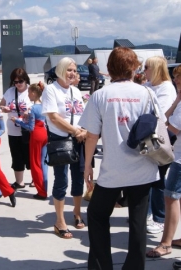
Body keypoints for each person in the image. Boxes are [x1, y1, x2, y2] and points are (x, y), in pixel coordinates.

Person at [79, 47, 160, 269]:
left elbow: (92, 136)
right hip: (143, 167)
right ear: (133, 67)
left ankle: (101, 265)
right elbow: (156, 126)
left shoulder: (100, 96)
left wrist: (88, 166)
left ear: (109, 68)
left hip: (113, 169)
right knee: (137, 221)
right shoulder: (147, 93)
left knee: (97, 215)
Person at [41, 57, 87, 239]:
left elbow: (82, 113)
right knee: (61, 180)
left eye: (74, 70)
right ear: (60, 70)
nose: (72, 73)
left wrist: (83, 130)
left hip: (79, 139)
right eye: (69, 70)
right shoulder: (51, 90)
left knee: (78, 178)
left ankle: (77, 212)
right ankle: (60, 221)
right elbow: (53, 117)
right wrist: (75, 131)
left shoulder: (76, 91)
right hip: (60, 140)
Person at [146, 65, 181, 258]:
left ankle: (166, 243)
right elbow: (165, 117)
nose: (176, 81)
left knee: (171, 197)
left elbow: (170, 128)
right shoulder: (179, 100)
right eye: (175, 77)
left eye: (179, 78)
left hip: (180, 159)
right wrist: (176, 100)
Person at [144, 56, 176, 234]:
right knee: (148, 177)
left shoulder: (166, 88)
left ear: (156, 68)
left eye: (147, 67)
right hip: (148, 138)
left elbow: (160, 115)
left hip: (162, 140)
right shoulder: (147, 86)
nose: (144, 70)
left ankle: (159, 217)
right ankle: (147, 212)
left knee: (158, 179)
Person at [12, 82, 48, 200]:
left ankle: (41, 192)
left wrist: (18, 121)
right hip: (45, 133)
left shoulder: (33, 108)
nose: (27, 94)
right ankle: (44, 188)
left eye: (28, 92)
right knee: (43, 163)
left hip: (36, 135)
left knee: (35, 163)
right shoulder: (44, 106)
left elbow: (30, 127)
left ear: (33, 93)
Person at [0, 68, 32, 189]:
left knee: (31, 155)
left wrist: (29, 112)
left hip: (28, 129)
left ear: (25, 80)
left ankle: (35, 179)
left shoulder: (31, 90)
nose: (18, 84)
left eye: (20, 81)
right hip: (13, 129)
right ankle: (19, 181)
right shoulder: (10, 91)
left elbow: (40, 106)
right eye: (15, 82)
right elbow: (0, 105)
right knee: (16, 155)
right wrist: (4, 108)